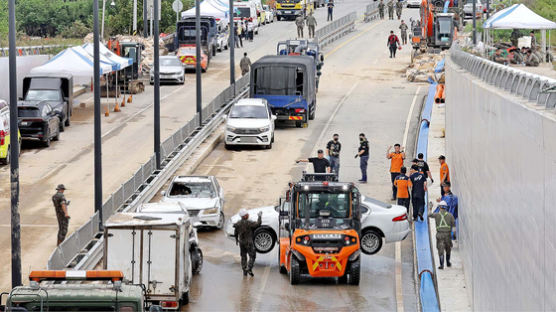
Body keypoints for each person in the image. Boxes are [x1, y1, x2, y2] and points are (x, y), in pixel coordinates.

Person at [234, 209, 263, 276]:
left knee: (243, 256)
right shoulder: (249, 223)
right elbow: (258, 224)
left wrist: (236, 240)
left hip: (241, 242)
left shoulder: (238, 223)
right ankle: (249, 268)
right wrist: (259, 216)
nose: (248, 215)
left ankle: (244, 271)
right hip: (249, 242)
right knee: (252, 256)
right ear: (244, 216)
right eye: (247, 214)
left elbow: (235, 233)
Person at [428, 201, 455, 269]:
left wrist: (430, 208)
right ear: (446, 208)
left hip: (439, 234)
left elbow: (429, 214)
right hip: (448, 235)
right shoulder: (450, 215)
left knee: (440, 249)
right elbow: (454, 227)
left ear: (440, 207)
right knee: (448, 248)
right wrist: (454, 235)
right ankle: (448, 262)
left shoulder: (437, 215)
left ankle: (441, 265)